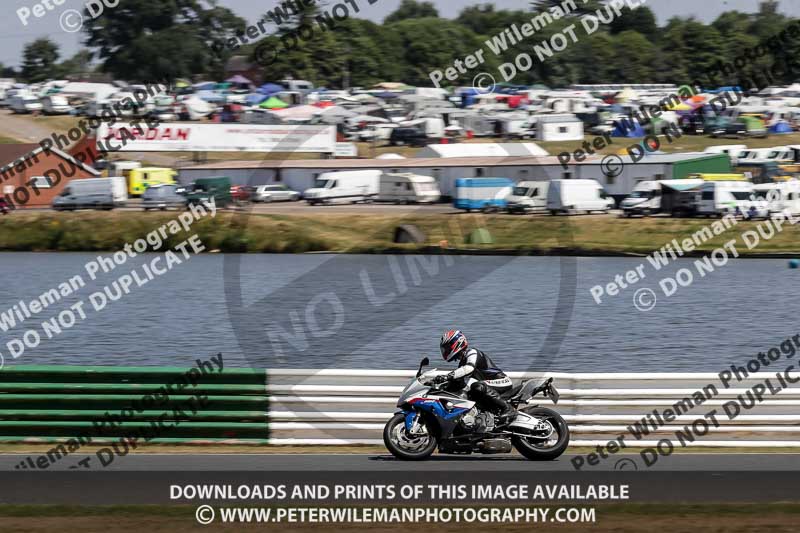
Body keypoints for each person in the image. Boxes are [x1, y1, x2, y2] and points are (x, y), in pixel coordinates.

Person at [432, 329, 516, 426]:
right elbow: (458, 382)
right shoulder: (462, 364)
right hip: (487, 385)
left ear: (456, 343)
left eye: (447, 347)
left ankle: (508, 408)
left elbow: (469, 368)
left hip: (501, 381)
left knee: (477, 386)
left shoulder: (472, 352)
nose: (445, 351)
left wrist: (447, 376)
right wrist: (437, 386)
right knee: (468, 393)